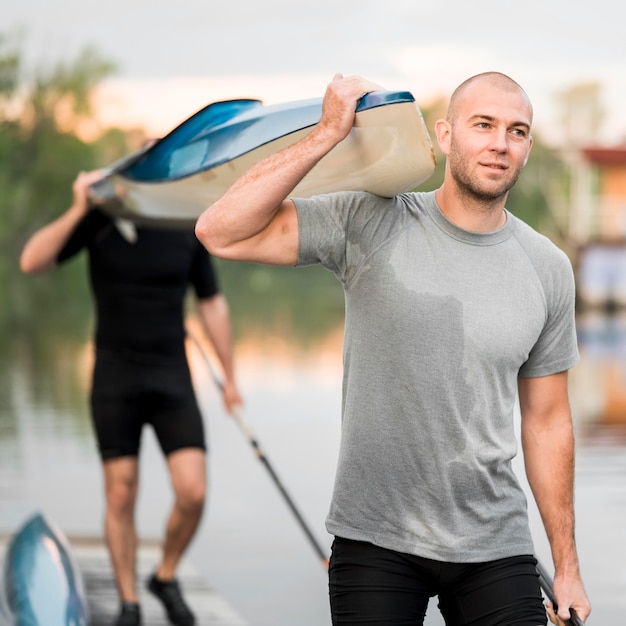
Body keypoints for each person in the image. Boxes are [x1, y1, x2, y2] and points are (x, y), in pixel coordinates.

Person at [195, 72, 592, 625]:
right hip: (375, 537)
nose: (500, 143)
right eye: (484, 125)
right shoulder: (373, 219)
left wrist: (567, 565)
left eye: (517, 131)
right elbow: (220, 232)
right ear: (446, 135)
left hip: (494, 541)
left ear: (527, 147)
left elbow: (548, 423)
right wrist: (327, 133)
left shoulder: (547, 267)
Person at [20, 169, 242, 626]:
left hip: (172, 374)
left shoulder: (186, 221)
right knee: (120, 493)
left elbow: (211, 301)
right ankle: (129, 601)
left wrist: (230, 375)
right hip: (114, 375)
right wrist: (80, 205)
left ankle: (165, 573)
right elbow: (33, 262)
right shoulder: (101, 216)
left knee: (193, 491)